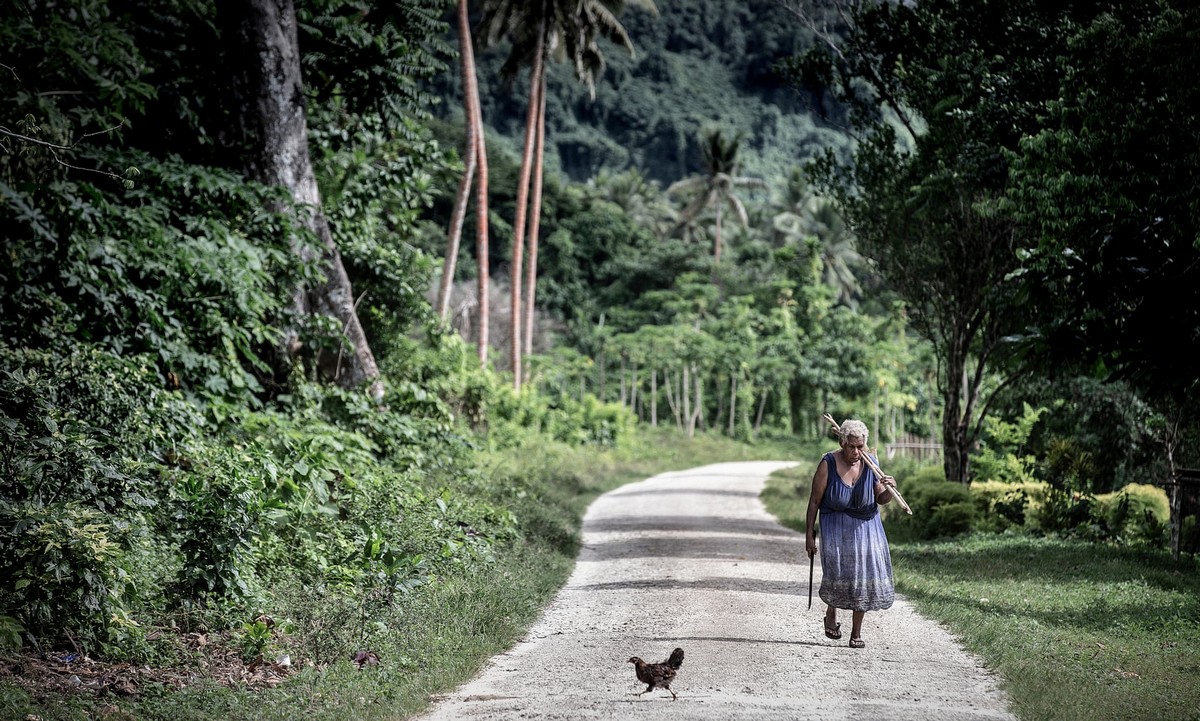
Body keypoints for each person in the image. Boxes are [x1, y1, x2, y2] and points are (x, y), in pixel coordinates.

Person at [804, 419, 897, 649]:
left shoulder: (871, 463)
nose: (856, 452)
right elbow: (814, 500)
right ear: (842, 442)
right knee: (837, 575)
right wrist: (809, 535)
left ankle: (856, 632)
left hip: (867, 526)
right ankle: (831, 612)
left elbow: (882, 500)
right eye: (852, 446)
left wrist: (889, 488)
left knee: (863, 579)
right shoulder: (828, 463)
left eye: (860, 447)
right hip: (835, 526)